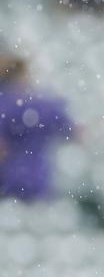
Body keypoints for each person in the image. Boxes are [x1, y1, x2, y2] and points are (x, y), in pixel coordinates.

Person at [0, 51, 75, 201]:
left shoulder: (4, 103)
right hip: (39, 181)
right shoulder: (45, 104)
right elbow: (75, 133)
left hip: (8, 183)